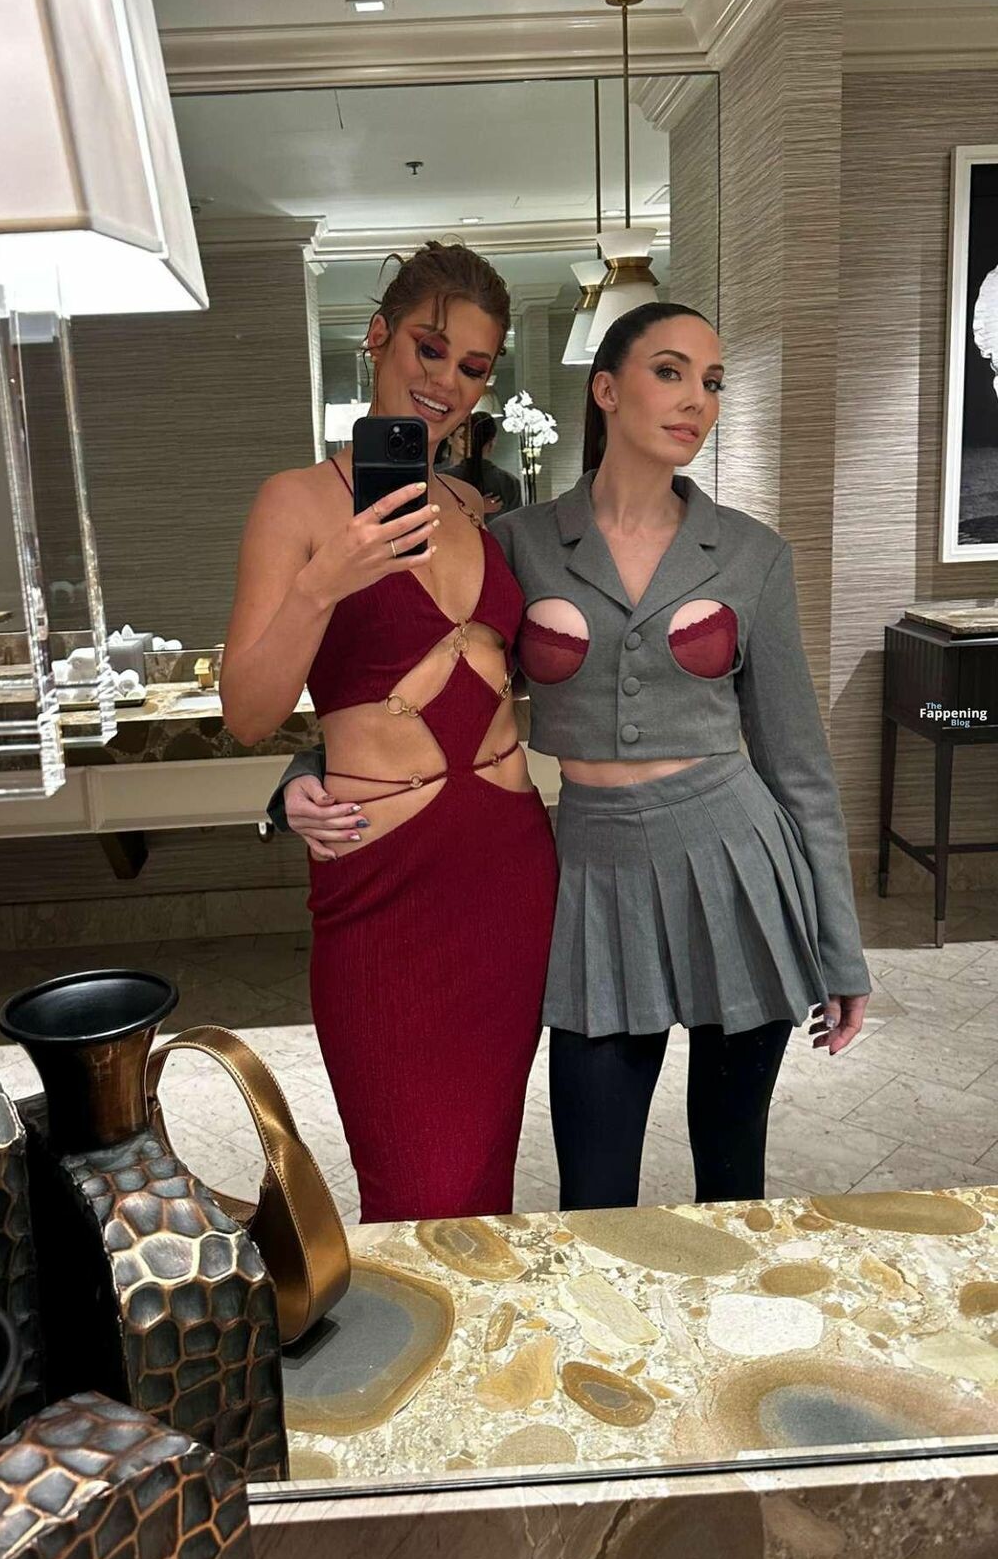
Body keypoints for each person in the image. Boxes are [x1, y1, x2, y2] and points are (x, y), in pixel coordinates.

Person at [277, 300, 872, 1212]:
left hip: (736, 868)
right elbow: (427, 683)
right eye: (669, 372)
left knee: (733, 1180)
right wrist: (305, 773)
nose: (697, 401)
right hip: (594, 876)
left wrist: (840, 947)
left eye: (712, 383)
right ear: (605, 390)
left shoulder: (752, 555)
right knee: (591, 1190)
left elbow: (799, 767)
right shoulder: (519, 543)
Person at [221, 242, 558, 1224]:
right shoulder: (295, 502)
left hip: (507, 871)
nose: (447, 381)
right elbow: (247, 711)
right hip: (382, 884)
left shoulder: (480, 509)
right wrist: (326, 580)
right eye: (429, 347)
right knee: (415, 1191)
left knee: (483, 1182)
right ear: (378, 336)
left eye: (475, 366)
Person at [448, 413, 523, 516]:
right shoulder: (509, 482)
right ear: (492, 441)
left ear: (467, 439)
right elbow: (516, 522)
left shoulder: (444, 478)